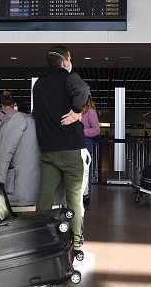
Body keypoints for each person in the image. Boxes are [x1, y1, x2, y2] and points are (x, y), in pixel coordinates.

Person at [32, 45, 91, 265]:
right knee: (74, 199)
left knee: (45, 198)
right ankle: (76, 247)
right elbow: (83, 91)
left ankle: (41, 243)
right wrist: (77, 112)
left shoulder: (38, 85)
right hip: (71, 149)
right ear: (65, 61)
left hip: (48, 150)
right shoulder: (70, 78)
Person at [81, 93, 100, 205]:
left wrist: (81, 132)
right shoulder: (75, 112)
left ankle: (86, 195)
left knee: (86, 170)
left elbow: (96, 130)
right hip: (75, 142)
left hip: (86, 142)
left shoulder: (90, 112)